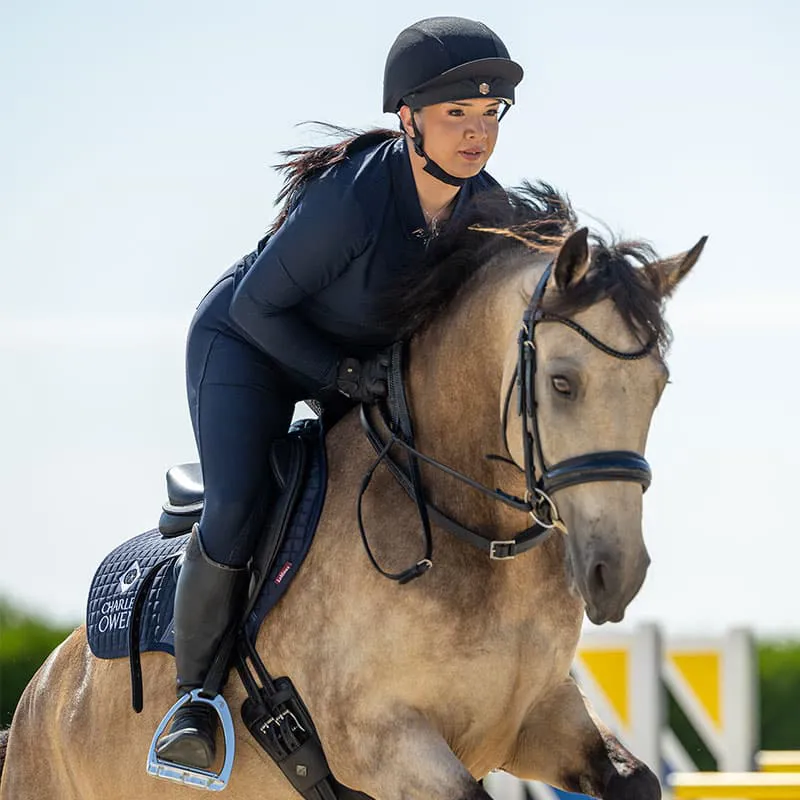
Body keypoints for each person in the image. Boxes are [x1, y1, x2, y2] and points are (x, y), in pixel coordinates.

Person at [154, 15, 525, 770]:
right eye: (457, 113)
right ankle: (192, 702)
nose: (477, 133)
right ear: (408, 119)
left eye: (490, 114)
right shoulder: (353, 199)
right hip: (248, 345)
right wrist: (343, 378)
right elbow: (258, 306)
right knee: (239, 502)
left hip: (354, 362)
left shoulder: (490, 214)